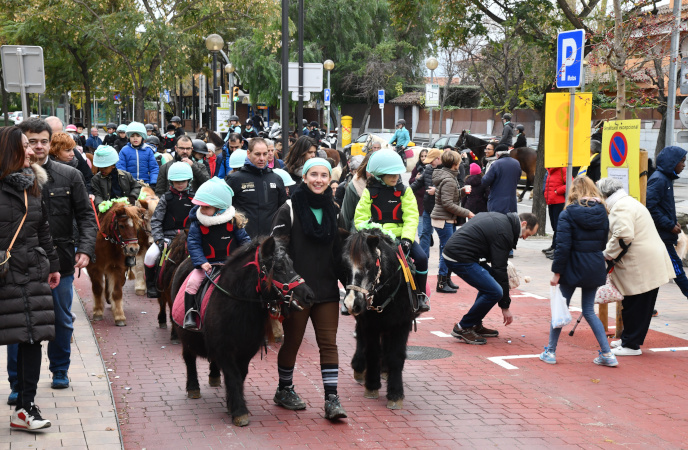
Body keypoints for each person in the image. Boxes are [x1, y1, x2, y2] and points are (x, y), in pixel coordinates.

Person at [13, 118, 96, 392]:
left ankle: (60, 369)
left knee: (61, 318)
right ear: (22, 143)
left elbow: (86, 215)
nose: (39, 147)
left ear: (51, 142)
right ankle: (17, 382)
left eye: (44, 141)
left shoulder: (69, 175)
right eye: (32, 141)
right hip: (19, 263)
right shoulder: (9, 177)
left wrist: (85, 248)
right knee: (18, 321)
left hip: (60, 259)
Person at [270, 158, 347, 420]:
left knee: (329, 344)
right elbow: (277, 249)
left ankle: (332, 399)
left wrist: (350, 288)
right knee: (292, 341)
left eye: (324, 175)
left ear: (329, 179)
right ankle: (284, 389)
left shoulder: (334, 209)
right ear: (304, 177)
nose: (319, 179)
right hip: (297, 291)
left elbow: (340, 252)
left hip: (326, 289)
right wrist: (289, 283)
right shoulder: (289, 209)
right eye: (313, 174)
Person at [0, 126, 61, 431]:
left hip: (32, 274)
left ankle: (25, 408)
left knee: (32, 339)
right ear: (9, 150)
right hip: (6, 275)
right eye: (25, 145)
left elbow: (43, 228)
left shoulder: (32, 185)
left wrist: (52, 264)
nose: (31, 150)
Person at [539, 176, 618, 367]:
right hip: (594, 263)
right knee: (589, 311)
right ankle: (607, 354)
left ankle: (550, 351)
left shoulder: (568, 213)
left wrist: (557, 272)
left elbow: (562, 246)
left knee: (560, 308)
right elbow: (602, 243)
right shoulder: (603, 212)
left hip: (572, 265)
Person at [597, 178, 675, 356]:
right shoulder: (627, 202)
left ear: (604, 194)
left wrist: (608, 254)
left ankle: (631, 345)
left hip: (642, 264)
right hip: (646, 261)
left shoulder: (620, 207)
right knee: (634, 303)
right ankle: (628, 339)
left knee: (637, 305)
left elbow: (623, 234)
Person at [354, 149, 429, 311]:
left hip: (401, 238)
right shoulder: (369, 193)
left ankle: (420, 296)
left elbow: (411, 217)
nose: (396, 177)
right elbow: (360, 220)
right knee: (355, 262)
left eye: (397, 174)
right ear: (380, 175)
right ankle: (352, 296)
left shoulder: (405, 191)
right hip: (377, 239)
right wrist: (376, 235)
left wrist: (408, 239)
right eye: (391, 175)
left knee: (422, 258)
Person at [445, 212, 538, 344]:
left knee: (490, 285)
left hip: (462, 253)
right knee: (495, 291)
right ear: (523, 224)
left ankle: (475, 324)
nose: (525, 238)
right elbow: (499, 270)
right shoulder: (505, 233)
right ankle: (463, 327)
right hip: (460, 257)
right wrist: (505, 307)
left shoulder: (503, 220)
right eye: (527, 234)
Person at [184, 178, 250, 329]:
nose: (201, 210)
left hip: (232, 265)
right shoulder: (197, 224)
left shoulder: (234, 222)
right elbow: (193, 244)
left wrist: (243, 259)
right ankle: (190, 314)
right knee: (192, 283)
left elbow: (245, 242)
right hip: (208, 265)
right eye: (200, 207)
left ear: (220, 207)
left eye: (206, 207)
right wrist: (201, 262)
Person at [145, 162, 195, 298]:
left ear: (189, 181)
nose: (180, 184)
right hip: (168, 238)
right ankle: (151, 286)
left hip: (189, 238)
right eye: (176, 181)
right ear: (171, 181)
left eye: (183, 181)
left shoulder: (194, 199)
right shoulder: (165, 199)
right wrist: (159, 239)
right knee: (150, 256)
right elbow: (156, 221)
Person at [646, 146, 688, 299]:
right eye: (681, 161)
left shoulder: (665, 179)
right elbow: (649, 206)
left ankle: (647, 307)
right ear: (672, 162)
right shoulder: (659, 179)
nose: (684, 165)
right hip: (662, 237)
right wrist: (669, 225)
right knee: (677, 270)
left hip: (663, 236)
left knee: (656, 274)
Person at [225, 138, 287, 238]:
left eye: (265, 154)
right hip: (243, 241)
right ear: (248, 154)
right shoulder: (235, 179)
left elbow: (283, 211)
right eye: (257, 154)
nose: (262, 158)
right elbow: (225, 209)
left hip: (269, 242)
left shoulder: (276, 179)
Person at [431, 150, 475, 293]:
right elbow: (448, 204)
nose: (461, 164)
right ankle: (442, 282)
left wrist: (461, 191)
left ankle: (446, 278)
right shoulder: (449, 179)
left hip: (445, 218)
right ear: (455, 164)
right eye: (459, 162)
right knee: (447, 251)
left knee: (446, 249)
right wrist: (467, 212)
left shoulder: (447, 176)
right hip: (444, 219)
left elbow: (448, 197)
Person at [45, 117, 93, 194]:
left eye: (60, 132)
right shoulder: (42, 156)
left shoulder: (75, 153)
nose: (57, 136)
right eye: (53, 134)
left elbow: (88, 177)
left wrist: (89, 193)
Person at [410, 148, 443, 258]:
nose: (428, 163)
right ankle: (423, 259)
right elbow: (418, 183)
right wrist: (406, 191)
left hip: (440, 210)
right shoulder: (428, 169)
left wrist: (436, 191)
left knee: (443, 238)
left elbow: (452, 190)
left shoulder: (446, 170)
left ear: (438, 159)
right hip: (428, 209)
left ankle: (444, 266)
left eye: (431, 160)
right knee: (424, 234)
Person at [339, 151, 374, 232]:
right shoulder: (354, 186)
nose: (373, 173)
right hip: (358, 236)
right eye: (370, 169)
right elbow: (346, 215)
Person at [482, 143, 521, 214]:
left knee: (496, 223)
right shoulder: (516, 163)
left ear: (497, 154)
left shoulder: (496, 164)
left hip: (497, 202)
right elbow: (518, 178)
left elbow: (485, 181)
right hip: (512, 203)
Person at [116, 121, 159, 186]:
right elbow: (121, 168)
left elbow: (154, 168)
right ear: (129, 137)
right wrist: (124, 183)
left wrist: (153, 182)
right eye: (132, 136)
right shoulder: (124, 151)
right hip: (129, 184)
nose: (135, 138)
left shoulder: (148, 151)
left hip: (146, 183)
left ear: (142, 137)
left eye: (138, 136)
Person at [542, 167, 569, 259]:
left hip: (559, 202)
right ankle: (554, 246)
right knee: (554, 226)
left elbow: (570, 183)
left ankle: (557, 249)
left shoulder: (562, 169)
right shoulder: (550, 170)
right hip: (551, 201)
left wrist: (557, 191)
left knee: (558, 226)